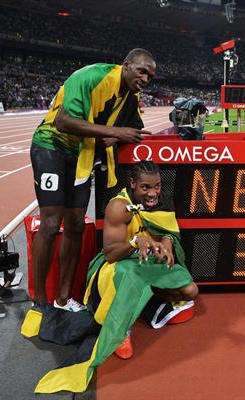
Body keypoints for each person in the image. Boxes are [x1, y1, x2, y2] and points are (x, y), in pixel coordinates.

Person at [31, 161, 198, 393]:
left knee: (190, 291)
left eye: (157, 186)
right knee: (131, 275)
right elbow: (110, 255)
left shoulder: (162, 198)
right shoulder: (118, 207)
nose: (152, 193)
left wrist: (166, 246)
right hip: (117, 265)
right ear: (132, 184)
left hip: (147, 261)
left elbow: (167, 231)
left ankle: (147, 308)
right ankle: (121, 329)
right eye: (146, 187)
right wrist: (134, 242)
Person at [28, 48, 156, 312]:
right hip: (51, 146)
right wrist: (114, 132)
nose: (145, 79)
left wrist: (117, 136)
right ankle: (39, 301)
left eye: (150, 76)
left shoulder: (130, 96)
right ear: (126, 64)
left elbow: (135, 128)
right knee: (51, 223)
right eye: (141, 71)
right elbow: (64, 121)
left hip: (82, 155)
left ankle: (63, 300)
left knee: (75, 224)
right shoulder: (90, 76)